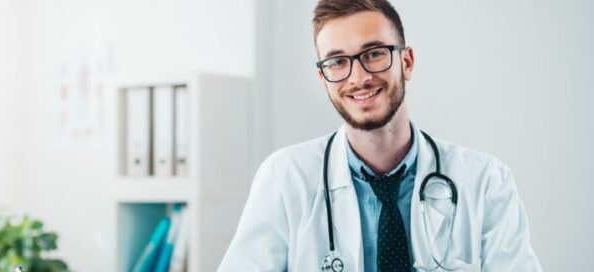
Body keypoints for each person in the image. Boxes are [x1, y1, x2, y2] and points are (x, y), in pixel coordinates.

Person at [218, 0, 542, 271]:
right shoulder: (284, 179)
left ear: (407, 61)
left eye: (374, 53)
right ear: (323, 78)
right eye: (337, 61)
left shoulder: (486, 182)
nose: (358, 77)